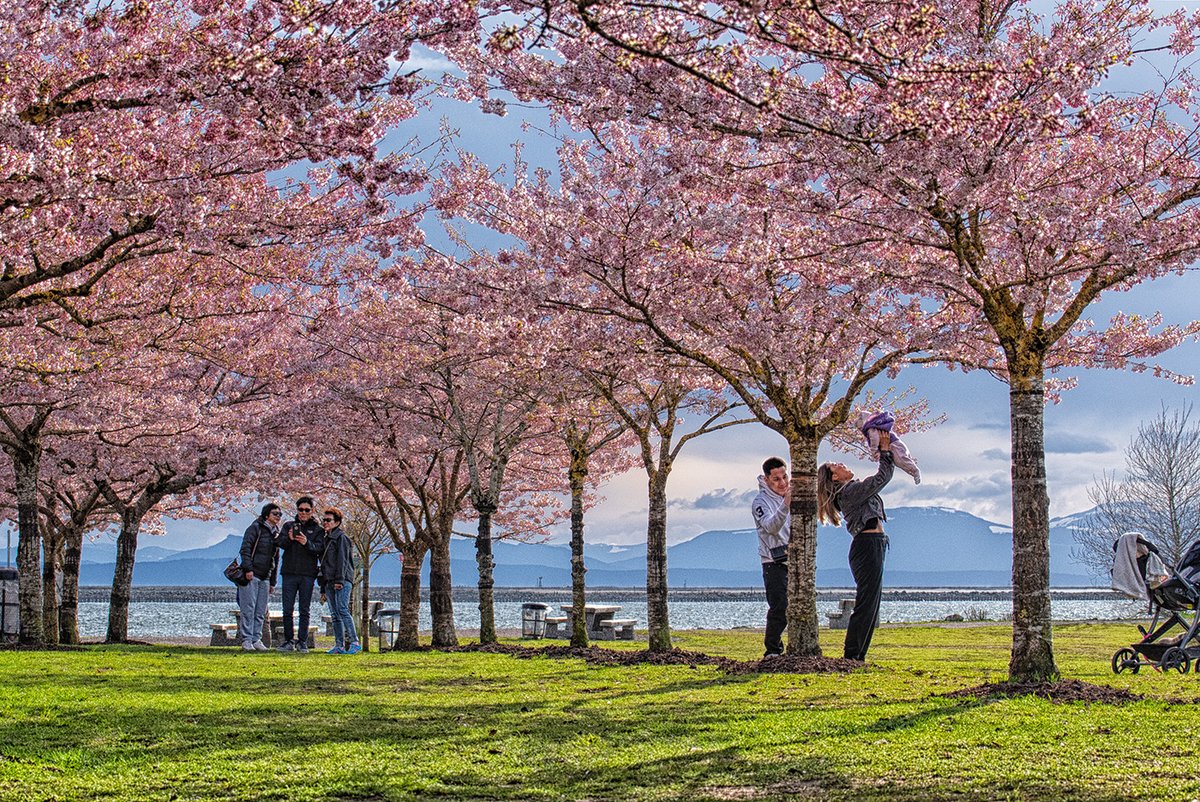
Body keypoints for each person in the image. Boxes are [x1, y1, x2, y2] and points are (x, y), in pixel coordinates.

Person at [817, 431, 895, 662]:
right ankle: (852, 655)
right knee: (867, 601)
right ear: (834, 478)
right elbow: (882, 477)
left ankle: (858, 654)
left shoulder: (851, 490)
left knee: (872, 602)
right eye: (835, 466)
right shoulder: (850, 492)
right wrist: (885, 451)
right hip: (867, 546)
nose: (841, 464)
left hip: (874, 544)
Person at [274, 495, 325, 653]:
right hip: (289, 572)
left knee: (305, 609)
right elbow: (279, 544)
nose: (303, 512)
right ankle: (288, 640)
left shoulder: (318, 530)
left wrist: (306, 543)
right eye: (300, 510)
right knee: (287, 609)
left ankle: (302, 641)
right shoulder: (289, 525)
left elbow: (319, 549)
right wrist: (289, 539)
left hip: (308, 574)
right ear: (296, 510)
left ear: (312, 511)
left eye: (306, 510)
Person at [752, 456, 790, 658]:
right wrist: (785, 505)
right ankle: (772, 649)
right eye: (776, 479)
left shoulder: (793, 493)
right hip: (772, 561)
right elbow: (771, 527)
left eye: (785, 477)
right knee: (779, 606)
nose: (782, 483)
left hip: (795, 559)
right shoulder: (760, 502)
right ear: (766, 479)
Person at [238, 503, 281, 651]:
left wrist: (273, 581)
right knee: (248, 608)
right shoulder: (255, 528)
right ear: (266, 514)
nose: (278, 517)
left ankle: (257, 638)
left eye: (279, 514)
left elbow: (276, 558)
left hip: (266, 576)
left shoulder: (276, 533)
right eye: (275, 513)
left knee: (260, 610)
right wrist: (248, 568)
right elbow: (245, 549)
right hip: (252, 574)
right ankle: (247, 639)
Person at [319, 507, 360, 655]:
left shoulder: (341, 538)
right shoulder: (326, 539)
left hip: (341, 579)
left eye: (328, 520)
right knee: (335, 613)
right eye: (324, 520)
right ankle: (339, 645)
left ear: (337, 522)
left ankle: (354, 641)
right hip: (328, 580)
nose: (325, 523)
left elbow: (343, 561)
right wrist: (323, 585)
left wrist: (340, 580)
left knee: (342, 609)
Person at [859, 410, 921, 484]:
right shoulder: (877, 425)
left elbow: (874, 439)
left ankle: (915, 471)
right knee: (902, 462)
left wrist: (874, 450)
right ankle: (914, 473)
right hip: (896, 444)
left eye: (860, 428)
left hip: (893, 445)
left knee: (901, 461)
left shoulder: (871, 428)